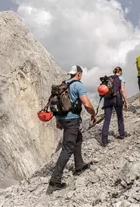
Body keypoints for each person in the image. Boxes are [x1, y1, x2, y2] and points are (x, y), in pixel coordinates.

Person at [47, 65, 97, 194]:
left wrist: (58, 120)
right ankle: (54, 181)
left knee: (78, 138)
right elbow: (86, 103)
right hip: (72, 120)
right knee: (68, 148)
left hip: (63, 119)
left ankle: (79, 165)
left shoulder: (64, 85)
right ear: (79, 74)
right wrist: (93, 113)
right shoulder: (78, 85)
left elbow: (57, 103)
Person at [101, 67, 129, 147]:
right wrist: (126, 102)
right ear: (120, 72)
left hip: (107, 99)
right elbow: (122, 90)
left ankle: (104, 140)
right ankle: (122, 133)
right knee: (119, 116)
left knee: (107, 119)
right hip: (117, 98)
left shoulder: (108, 79)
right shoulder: (121, 78)